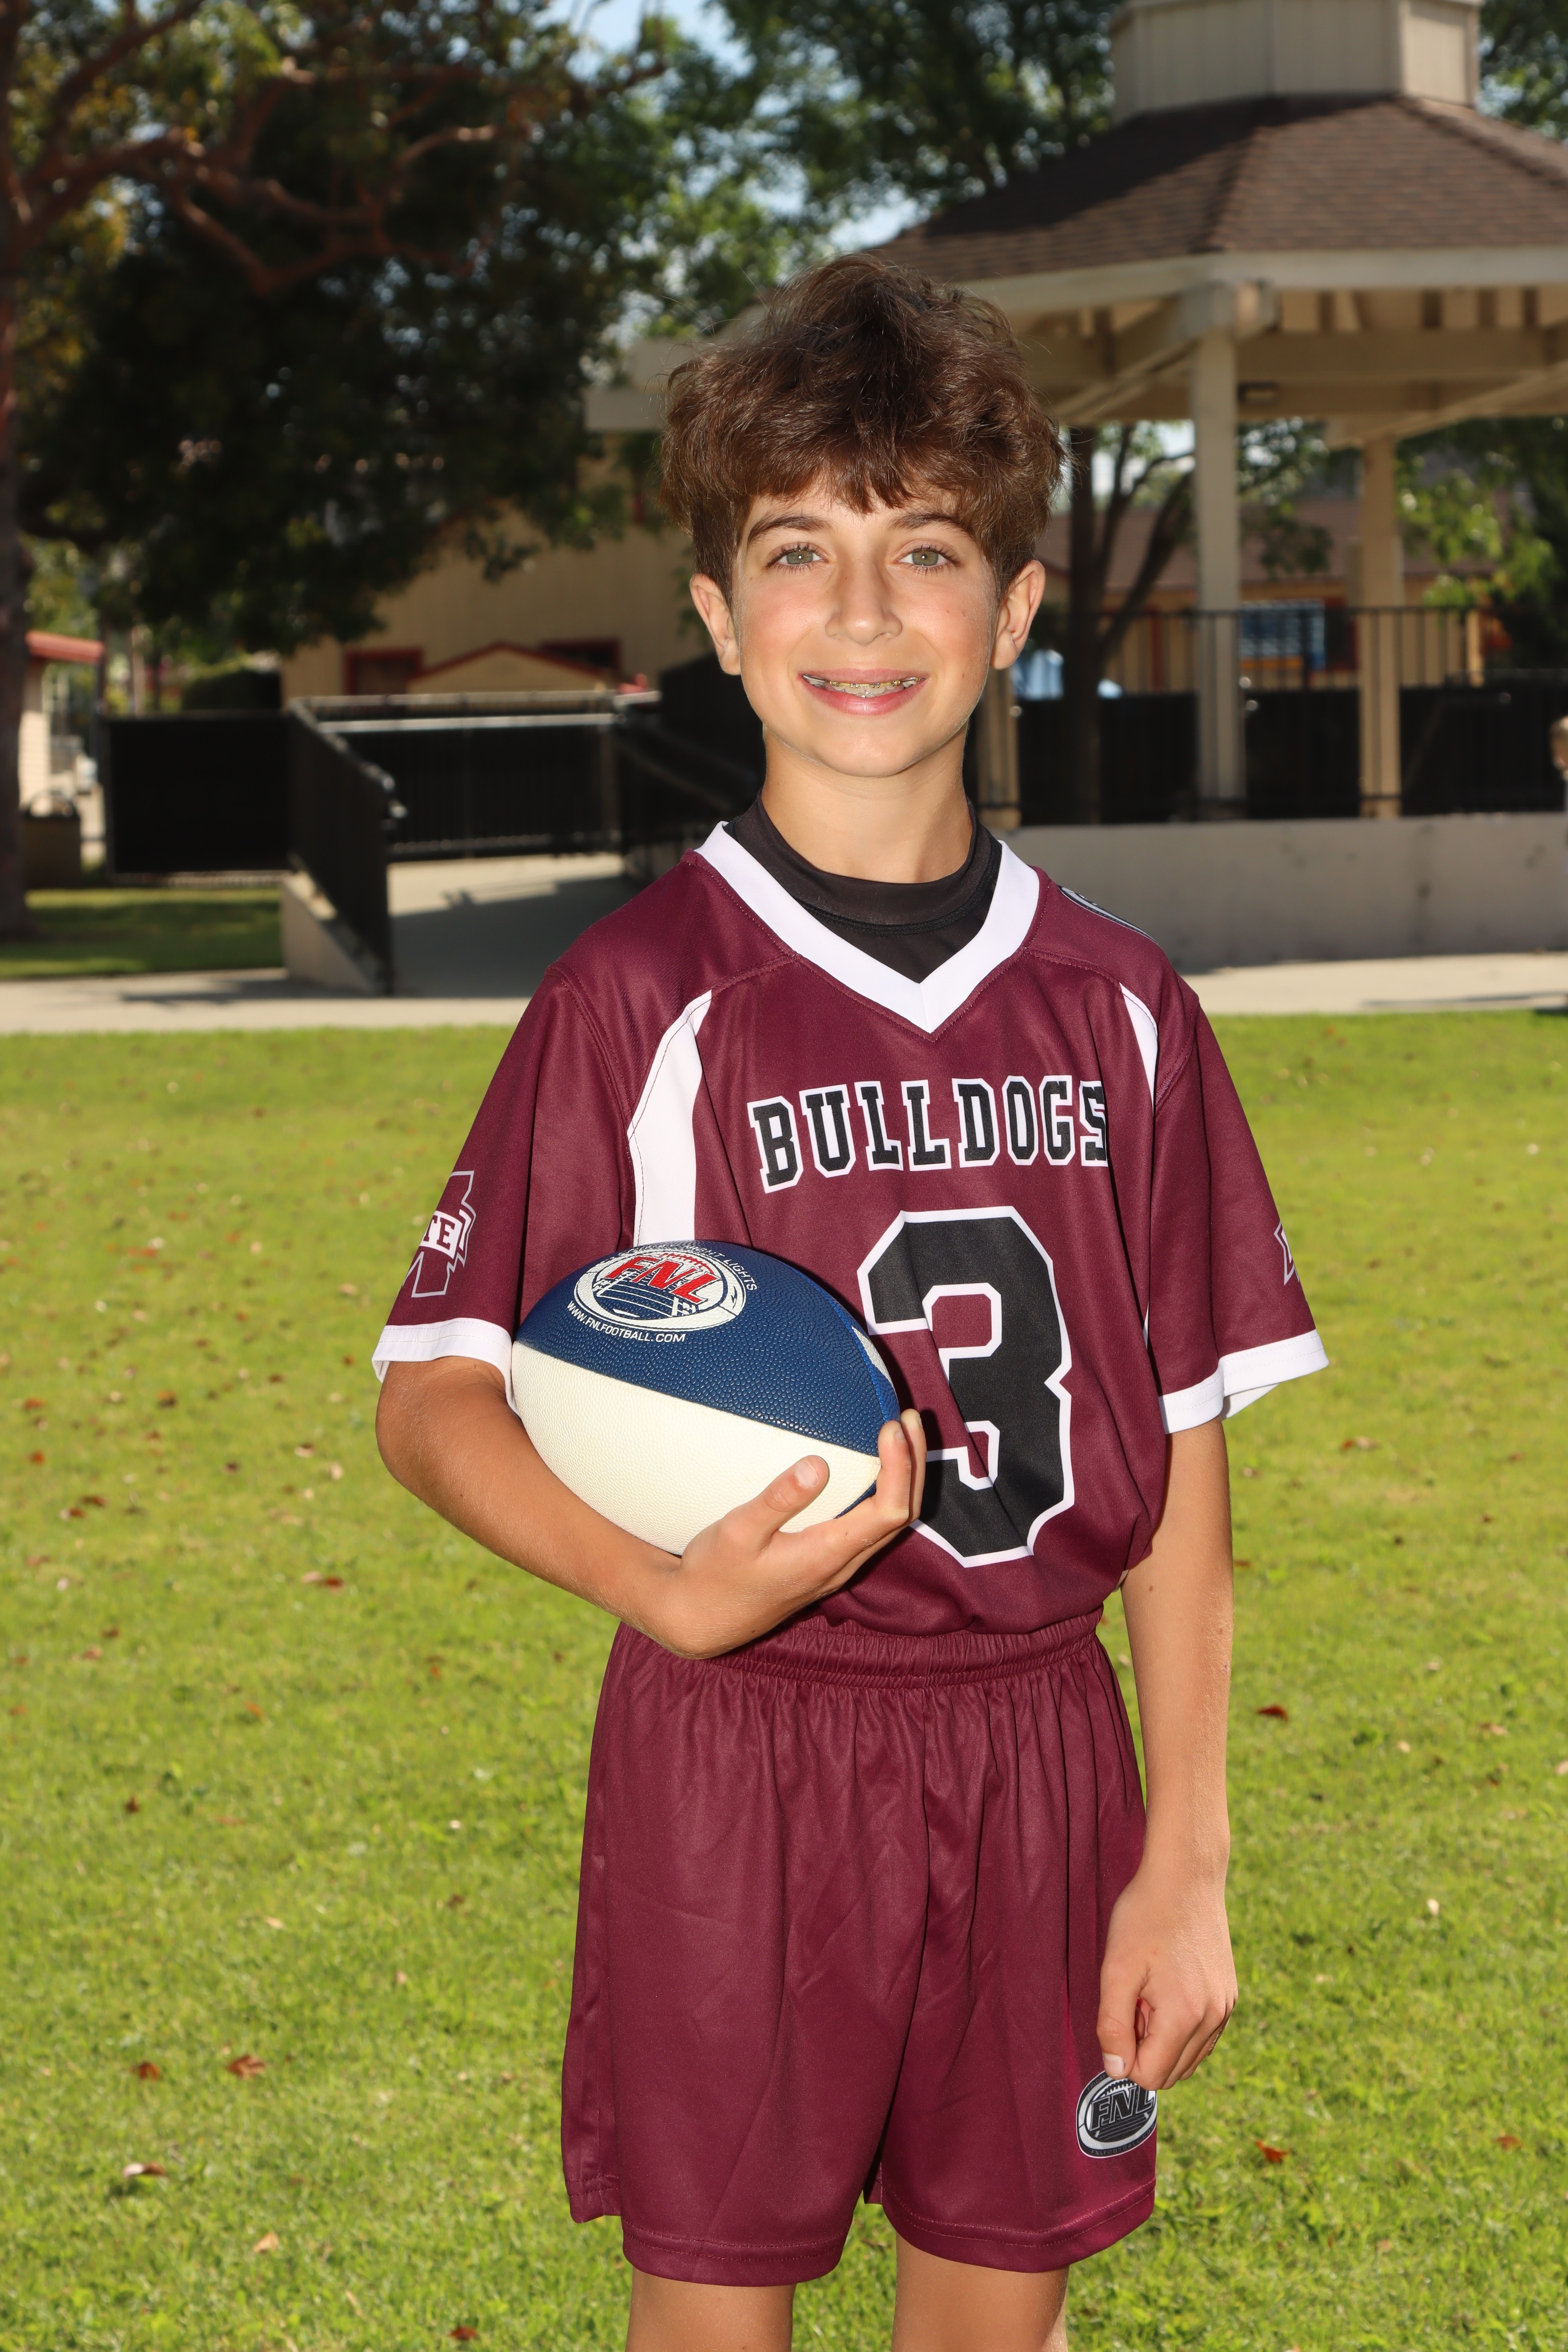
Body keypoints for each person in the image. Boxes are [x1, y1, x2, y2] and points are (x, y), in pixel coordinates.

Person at [374, 255, 1327, 2352]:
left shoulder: (1125, 1010)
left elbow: (1177, 1454)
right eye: (798, 552)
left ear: (1016, 604)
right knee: (714, 2315)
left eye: (928, 552)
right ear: (719, 618)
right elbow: (434, 1395)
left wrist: (1184, 1854)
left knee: (1000, 2310)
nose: (866, 612)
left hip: (1043, 1744)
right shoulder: (639, 998)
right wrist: (659, 1590)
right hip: (743, 1743)